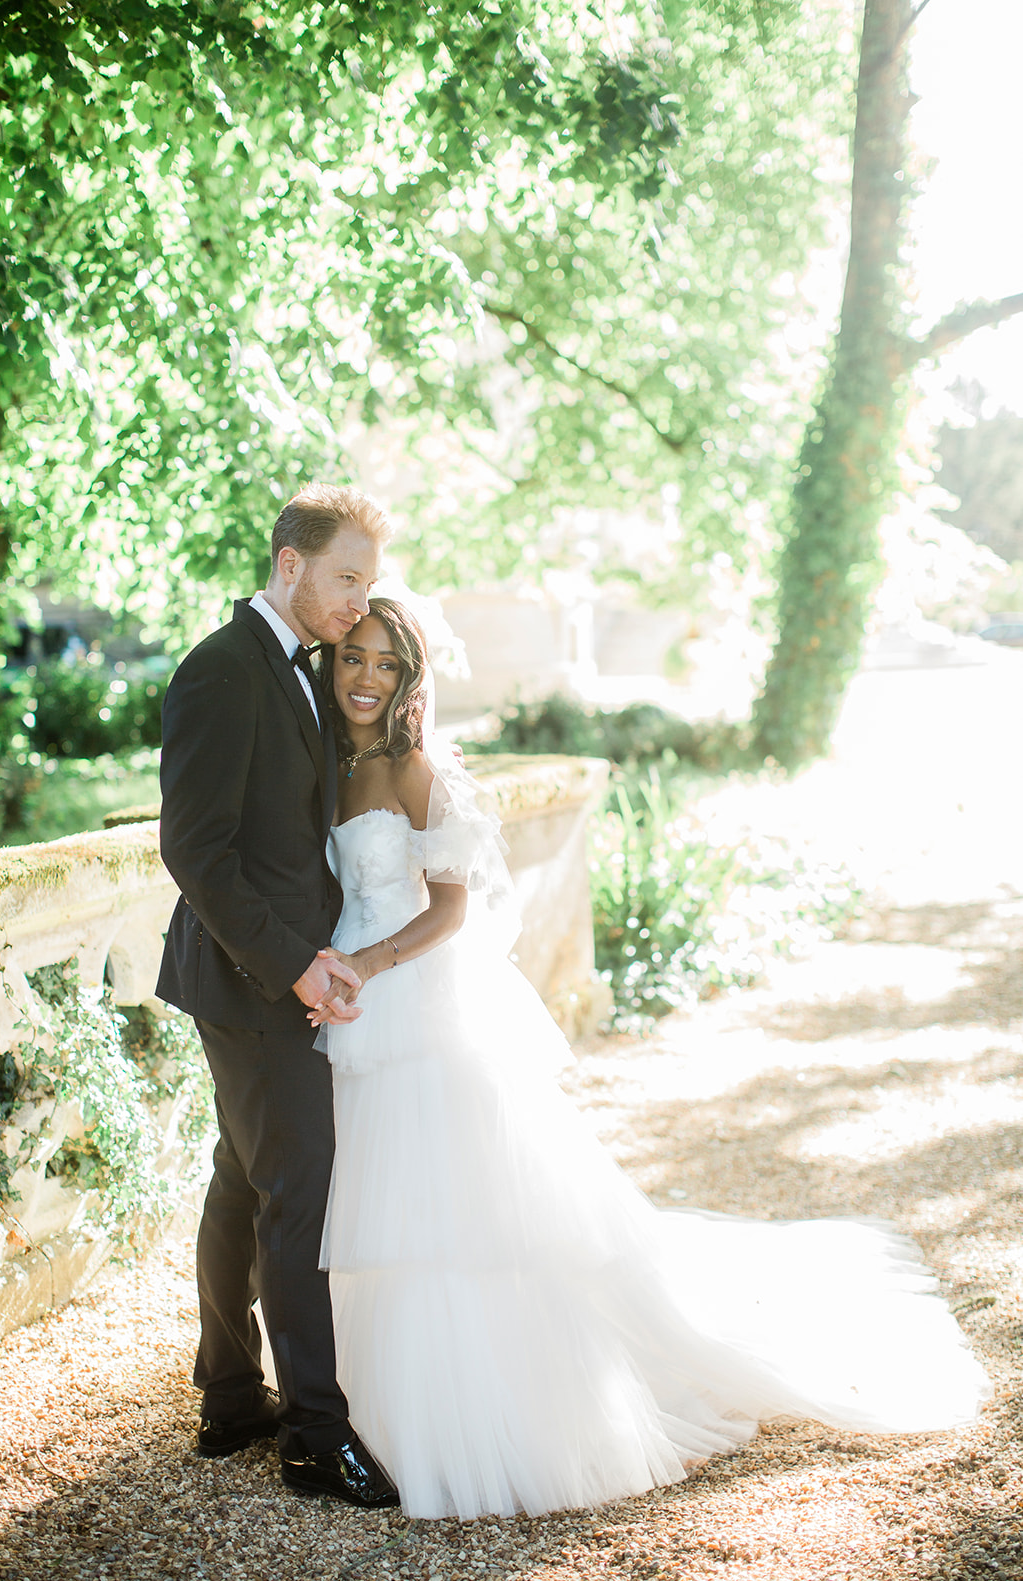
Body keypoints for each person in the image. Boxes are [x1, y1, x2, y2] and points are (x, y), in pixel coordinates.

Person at [309, 595, 990, 1521]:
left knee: (454, 1206)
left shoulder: (416, 769)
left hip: (415, 997)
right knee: (379, 1199)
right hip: (350, 1007)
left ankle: (478, 1419)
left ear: (409, 679)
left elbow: (453, 908)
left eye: (388, 664)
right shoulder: (332, 763)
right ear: (332, 660)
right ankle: (361, 1403)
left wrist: (372, 964)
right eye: (355, 658)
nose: (367, 679)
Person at [156, 483, 399, 1508]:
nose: (356, 603)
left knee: (240, 1179)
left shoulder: (294, 666)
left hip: (272, 971)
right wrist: (297, 964)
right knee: (297, 1189)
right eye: (345, 577)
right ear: (289, 562)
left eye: (367, 584)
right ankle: (312, 1430)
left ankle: (227, 1395)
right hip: (251, 977)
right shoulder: (221, 668)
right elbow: (195, 850)